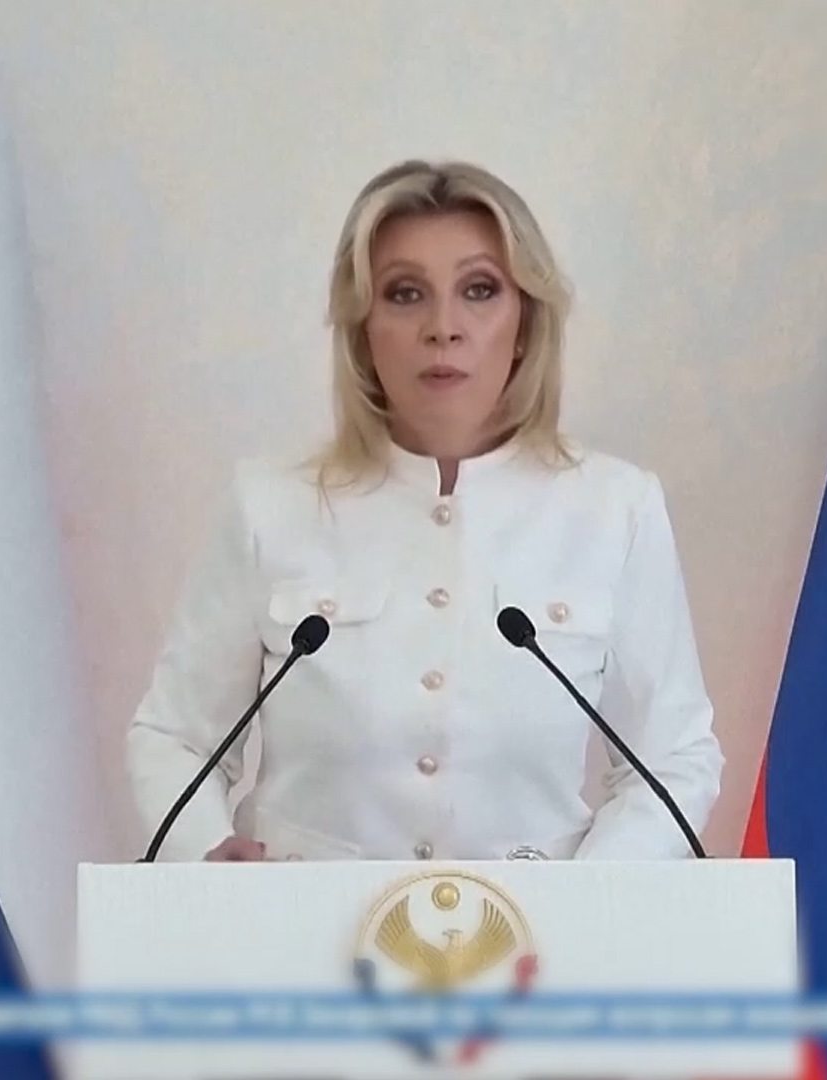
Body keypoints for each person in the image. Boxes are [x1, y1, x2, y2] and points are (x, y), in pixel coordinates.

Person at [125, 159, 723, 863]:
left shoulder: (615, 510)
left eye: (479, 290)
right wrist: (205, 849)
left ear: (525, 322)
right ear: (362, 328)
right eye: (405, 294)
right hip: (301, 921)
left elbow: (674, 757)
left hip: (535, 926)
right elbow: (175, 736)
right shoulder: (270, 506)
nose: (443, 327)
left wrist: (591, 897)